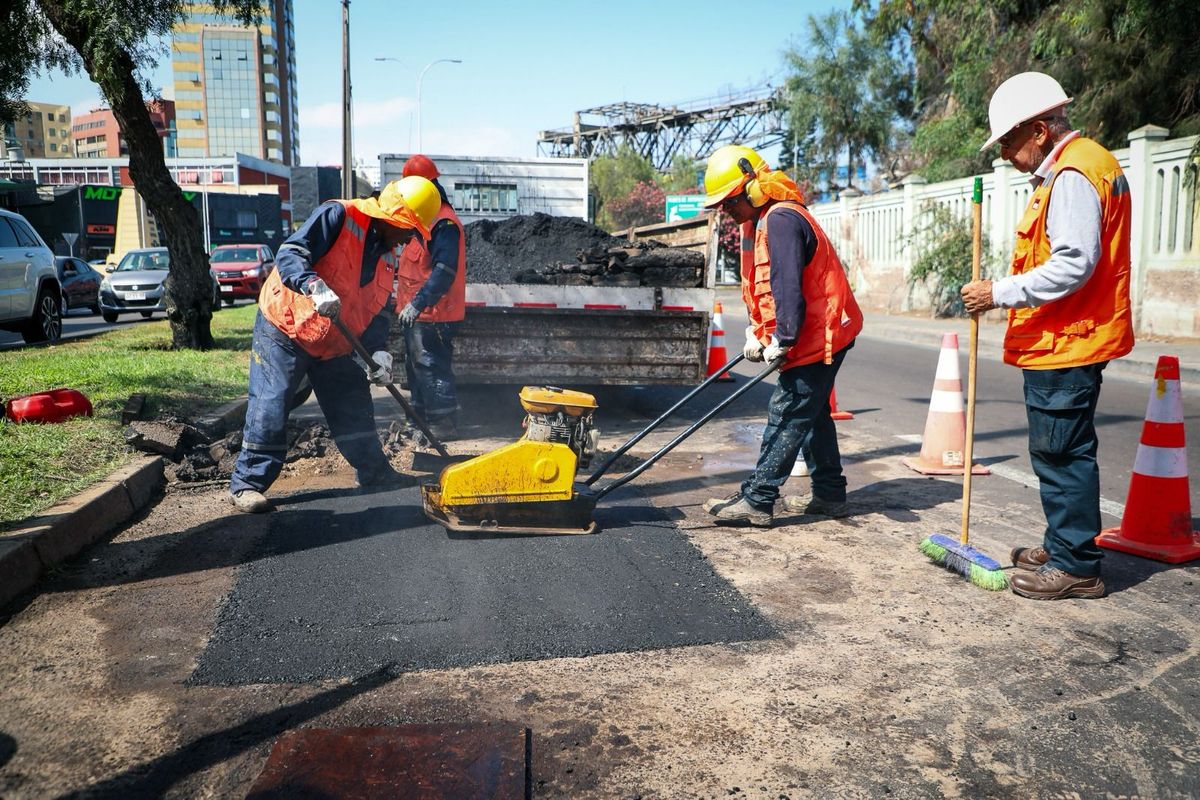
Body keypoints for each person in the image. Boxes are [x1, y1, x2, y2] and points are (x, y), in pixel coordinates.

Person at [961, 72, 1133, 599]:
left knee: (1061, 453)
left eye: (1010, 142)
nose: (1008, 155)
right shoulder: (1083, 166)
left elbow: (1074, 264)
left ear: (1038, 130)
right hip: (1069, 335)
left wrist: (999, 292)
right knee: (1060, 448)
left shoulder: (1073, 175)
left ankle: (1077, 565)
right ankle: (1064, 543)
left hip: (1068, 338)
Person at [228, 176, 442, 513]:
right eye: (407, 229)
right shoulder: (338, 216)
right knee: (272, 402)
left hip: (336, 341)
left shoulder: (388, 258)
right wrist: (313, 285)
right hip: (286, 325)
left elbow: (376, 313)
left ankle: (374, 474)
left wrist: (378, 354)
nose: (408, 238)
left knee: (353, 407)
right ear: (390, 218)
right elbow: (291, 253)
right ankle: (247, 484)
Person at [701, 144, 863, 527]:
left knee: (788, 411)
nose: (726, 211)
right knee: (813, 413)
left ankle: (758, 499)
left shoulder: (781, 220)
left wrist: (783, 339)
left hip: (817, 335)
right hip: (816, 332)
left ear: (753, 187)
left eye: (729, 201)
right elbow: (767, 290)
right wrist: (760, 333)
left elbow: (787, 285)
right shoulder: (765, 222)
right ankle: (829, 495)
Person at [395, 154, 466, 441]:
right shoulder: (425, 219)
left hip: (433, 313)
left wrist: (419, 302)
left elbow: (444, 270)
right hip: (420, 313)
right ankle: (420, 422)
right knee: (418, 370)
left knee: (431, 367)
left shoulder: (443, 223)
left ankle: (443, 425)